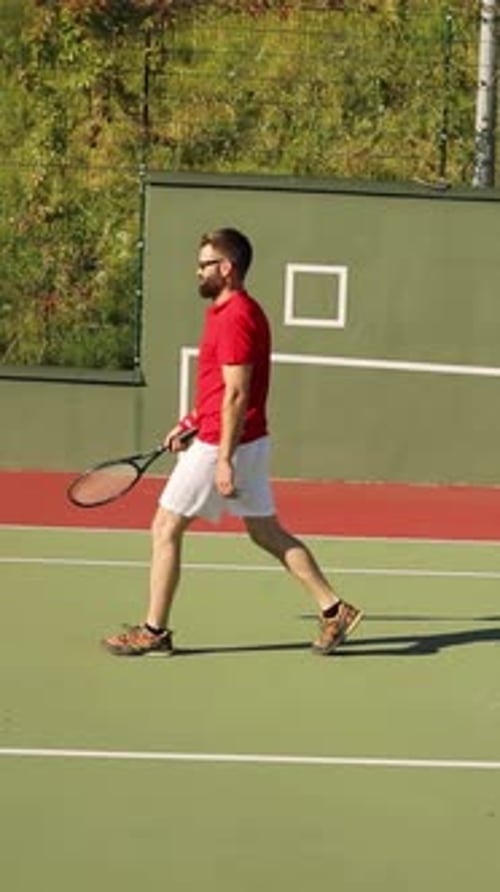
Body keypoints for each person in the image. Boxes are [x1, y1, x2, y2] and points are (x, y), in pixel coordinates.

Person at [103, 227, 362, 657]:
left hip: (223, 445)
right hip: (241, 439)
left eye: (204, 264)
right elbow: (220, 389)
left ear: (226, 267)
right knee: (265, 532)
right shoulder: (229, 312)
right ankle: (334, 609)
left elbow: (238, 394)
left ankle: (153, 631)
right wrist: (191, 419)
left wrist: (223, 458)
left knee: (165, 527)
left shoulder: (236, 316)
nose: (197, 271)